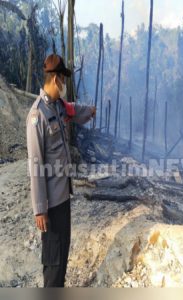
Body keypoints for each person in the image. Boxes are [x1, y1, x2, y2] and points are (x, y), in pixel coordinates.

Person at [26, 54, 96, 287]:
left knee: (63, 253)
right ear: (55, 80)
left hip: (63, 196)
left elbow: (74, 110)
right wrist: (39, 209)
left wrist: (90, 111)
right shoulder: (37, 116)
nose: (65, 85)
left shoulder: (58, 107)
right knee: (53, 261)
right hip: (50, 204)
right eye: (63, 81)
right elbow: (35, 166)